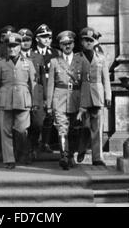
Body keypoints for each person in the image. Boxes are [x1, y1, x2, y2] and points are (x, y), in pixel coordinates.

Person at [0, 33, 37, 169]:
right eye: (9, 46)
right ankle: (9, 160)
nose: (12, 49)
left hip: (23, 100)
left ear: (20, 46)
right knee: (5, 131)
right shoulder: (1, 63)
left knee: (21, 129)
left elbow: (34, 83)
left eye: (15, 46)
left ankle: (23, 152)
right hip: (5, 100)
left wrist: (36, 102)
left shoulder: (28, 63)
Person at [47, 30, 84, 169]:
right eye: (64, 44)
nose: (67, 46)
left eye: (69, 43)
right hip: (60, 97)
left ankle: (71, 156)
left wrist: (84, 103)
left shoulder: (80, 61)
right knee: (62, 128)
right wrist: (50, 105)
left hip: (76, 97)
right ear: (60, 46)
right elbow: (51, 84)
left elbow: (84, 84)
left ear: (74, 44)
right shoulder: (55, 62)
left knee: (75, 129)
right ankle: (63, 156)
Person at [77, 27, 112, 166]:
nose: (88, 43)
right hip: (83, 94)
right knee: (85, 126)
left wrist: (108, 95)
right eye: (86, 40)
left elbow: (106, 79)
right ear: (81, 42)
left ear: (95, 42)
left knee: (97, 127)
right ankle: (81, 149)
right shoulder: (77, 57)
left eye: (91, 40)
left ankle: (97, 158)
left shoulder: (101, 58)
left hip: (98, 94)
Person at [18, 28, 45, 160]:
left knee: (38, 123)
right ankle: (25, 151)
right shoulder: (15, 56)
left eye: (28, 40)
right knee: (21, 126)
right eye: (22, 40)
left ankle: (33, 146)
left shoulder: (38, 57)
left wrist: (45, 97)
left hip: (36, 95)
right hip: (21, 95)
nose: (25, 43)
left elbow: (43, 79)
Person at [33, 24, 59, 152]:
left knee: (49, 116)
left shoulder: (55, 53)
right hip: (37, 88)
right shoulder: (32, 53)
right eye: (43, 37)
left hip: (51, 87)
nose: (47, 39)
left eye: (49, 37)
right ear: (37, 39)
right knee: (37, 118)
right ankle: (35, 143)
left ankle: (45, 143)